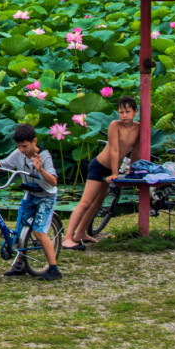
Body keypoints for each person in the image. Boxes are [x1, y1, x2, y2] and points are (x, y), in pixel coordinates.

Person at [0, 123, 62, 281]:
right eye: (18, 146)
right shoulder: (18, 153)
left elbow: (53, 182)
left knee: (39, 231)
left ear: (34, 141)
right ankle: (19, 264)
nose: (21, 150)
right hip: (30, 192)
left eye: (25, 146)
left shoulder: (44, 156)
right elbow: (4, 166)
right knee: (20, 230)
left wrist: (40, 169)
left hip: (46, 195)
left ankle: (53, 268)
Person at [63, 96, 141, 249]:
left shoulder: (138, 128)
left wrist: (133, 171)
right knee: (86, 202)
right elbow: (114, 149)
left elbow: (136, 152)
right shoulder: (115, 125)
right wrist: (114, 173)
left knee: (98, 202)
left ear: (135, 112)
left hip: (112, 169)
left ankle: (80, 234)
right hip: (100, 166)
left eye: (127, 111)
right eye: (121, 112)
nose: (124, 115)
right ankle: (67, 237)